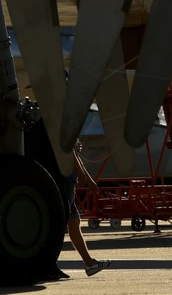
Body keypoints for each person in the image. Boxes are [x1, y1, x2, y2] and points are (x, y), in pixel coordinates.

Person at [24, 119, 110, 278]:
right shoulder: (61, 125)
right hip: (65, 181)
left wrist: (86, 177)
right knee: (60, 224)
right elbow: (70, 154)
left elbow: (74, 153)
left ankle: (89, 263)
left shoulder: (59, 125)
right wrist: (85, 176)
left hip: (68, 180)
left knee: (73, 222)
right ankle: (48, 264)